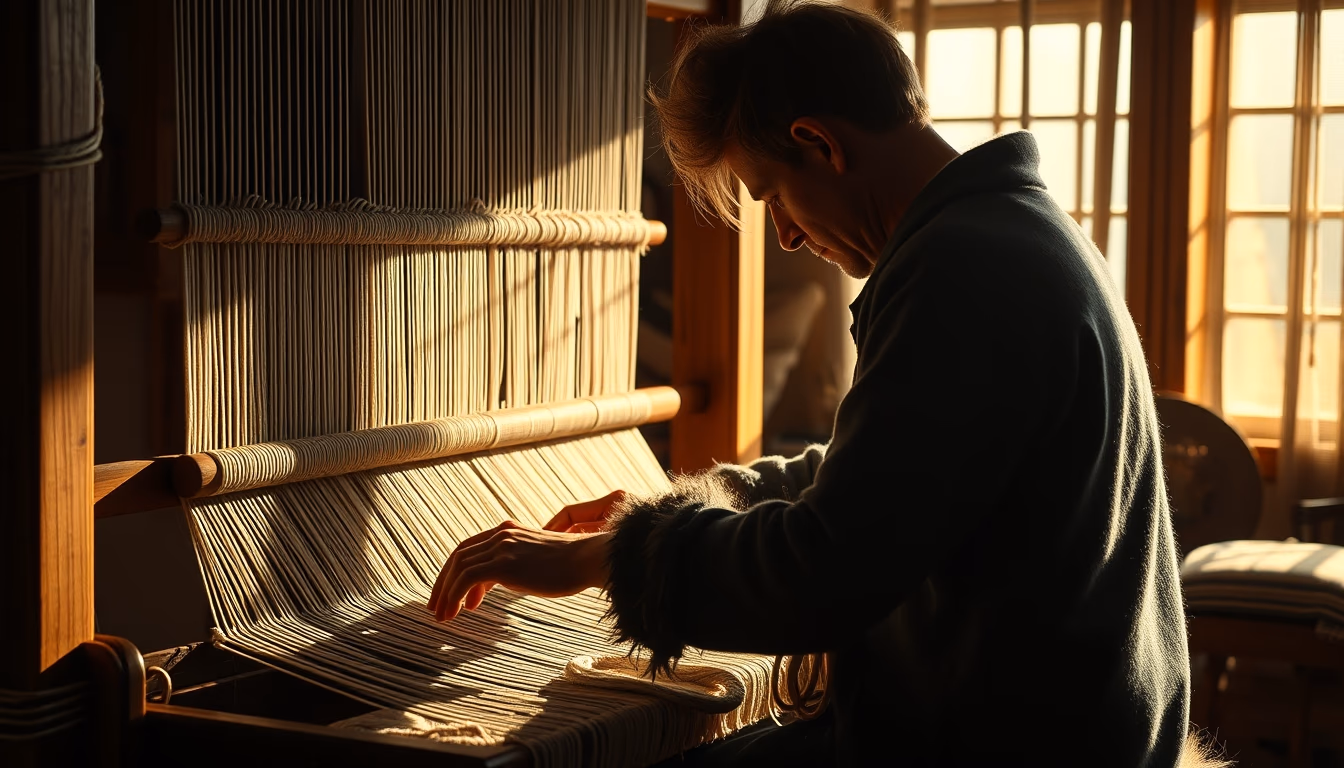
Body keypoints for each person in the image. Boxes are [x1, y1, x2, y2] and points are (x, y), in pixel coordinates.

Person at [428, 1, 1202, 765]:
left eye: (769, 194)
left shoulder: (964, 272)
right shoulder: (1006, 234)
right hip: (1056, 726)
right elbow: (870, 480)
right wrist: (671, 507)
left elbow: (827, 571)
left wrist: (606, 560)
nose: (788, 234)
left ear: (819, 144)